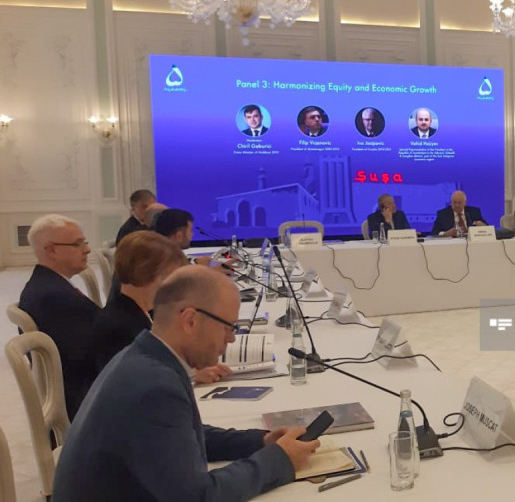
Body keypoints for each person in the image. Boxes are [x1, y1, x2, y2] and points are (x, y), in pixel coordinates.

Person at [52, 266, 320, 501]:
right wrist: (279, 460)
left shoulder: (143, 355)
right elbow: (199, 497)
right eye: (228, 327)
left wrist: (259, 441)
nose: (230, 339)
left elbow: (183, 434)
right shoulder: (154, 386)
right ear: (190, 320)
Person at [19, 214, 100, 420]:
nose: (87, 249)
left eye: (85, 242)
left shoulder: (48, 285)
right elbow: (89, 357)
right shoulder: (54, 297)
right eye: (77, 244)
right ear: (51, 250)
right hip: (86, 406)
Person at [94, 231, 187, 371]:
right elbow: (141, 376)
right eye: (170, 277)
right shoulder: (119, 328)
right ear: (145, 274)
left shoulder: (140, 312)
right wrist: (188, 374)